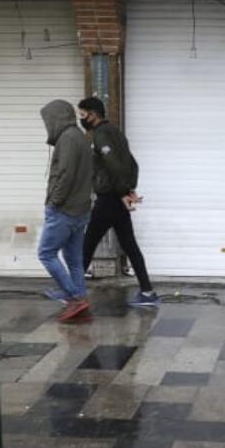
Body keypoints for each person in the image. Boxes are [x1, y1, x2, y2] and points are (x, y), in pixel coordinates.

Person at [77, 97, 159, 308]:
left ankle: (73, 293)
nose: (81, 118)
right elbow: (131, 163)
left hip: (109, 199)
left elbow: (113, 164)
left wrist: (123, 191)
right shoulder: (117, 132)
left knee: (88, 244)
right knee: (129, 245)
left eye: (83, 114)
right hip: (117, 197)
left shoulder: (101, 134)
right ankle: (148, 291)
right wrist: (130, 188)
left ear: (94, 114)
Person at [39, 99, 97, 322]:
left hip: (65, 209)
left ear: (56, 118)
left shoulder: (68, 138)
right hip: (81, 209)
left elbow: (65, 174)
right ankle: (79, 296)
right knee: (73, 257)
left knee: (46, 253)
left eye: (48, 120)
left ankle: (75, 298)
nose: (47, 125)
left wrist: (54, 202)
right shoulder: (79, 137)